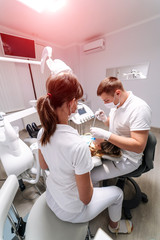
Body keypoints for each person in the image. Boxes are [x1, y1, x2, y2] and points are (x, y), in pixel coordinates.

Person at [37, 72, 133, 234]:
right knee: (117, 194)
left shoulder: (42, 132)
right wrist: (84, 166)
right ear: (72, 103)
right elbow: (86, 198)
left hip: (52, 196)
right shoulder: (77, 146)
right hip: (71, 210)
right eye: (78, 101)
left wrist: (71, 167)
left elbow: (44, 165)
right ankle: (114, 227)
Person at [90, 76, 151, 182]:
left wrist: (106, 135)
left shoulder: (139, 109)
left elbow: (138, 146)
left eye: (106, 100)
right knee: (89, 160)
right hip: (115, 148)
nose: (105, 104)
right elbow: (117, 127)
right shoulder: (117, 104)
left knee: (90, 176)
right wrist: (104, 119)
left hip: (127, 158)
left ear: (117, 93)